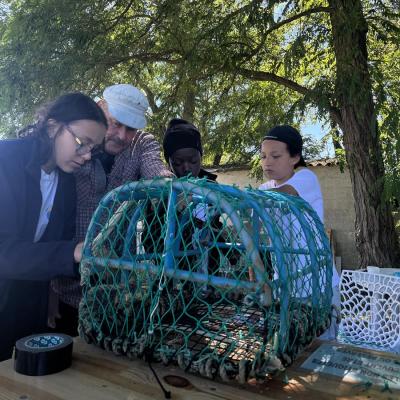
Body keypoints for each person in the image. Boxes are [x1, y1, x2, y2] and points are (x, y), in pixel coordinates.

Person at [50, 84, 171, 326]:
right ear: (99, 109)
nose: (123, 136)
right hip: (62, 286)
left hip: (113, 293)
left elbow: (156, 171)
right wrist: (46, 292)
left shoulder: (142, 145)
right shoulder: (71, 145)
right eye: (116, 124)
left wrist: (169, 185)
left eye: (132, 128)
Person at [0, 92, 107, 360]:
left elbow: (47, 248)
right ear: (52, 127)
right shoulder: (5, 160)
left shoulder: (67, 183)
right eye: (82, 143)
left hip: (28, 308)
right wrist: (72, 252)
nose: (85, 156)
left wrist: (49, 296)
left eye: (92, 149)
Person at [259, 125, 340, 339]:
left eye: (276, 156)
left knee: (322, 342)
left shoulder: (305, 178)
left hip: (317, 280)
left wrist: (244, 197)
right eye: (263, 156)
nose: (267, 162)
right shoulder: (264, 189)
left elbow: (286, 194)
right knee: (291, 342)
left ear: (295, 157)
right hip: (285, 281)